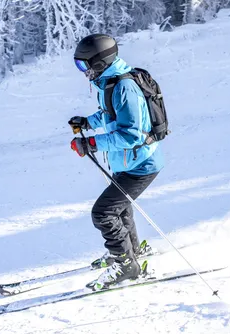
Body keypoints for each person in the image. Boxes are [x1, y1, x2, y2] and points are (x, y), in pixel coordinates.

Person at [68, 34, 164, 290]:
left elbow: (132, 134)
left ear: (100, 61)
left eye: (83, 65)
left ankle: (126, 266)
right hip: (128, 163)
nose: (83, 71)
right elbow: (110, 115)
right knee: (119, 207)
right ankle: (129, 251)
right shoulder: (109, 82)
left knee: (103, 212)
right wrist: (87, 123)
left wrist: (92, 144)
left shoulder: (124, 87)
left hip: (141, 164)